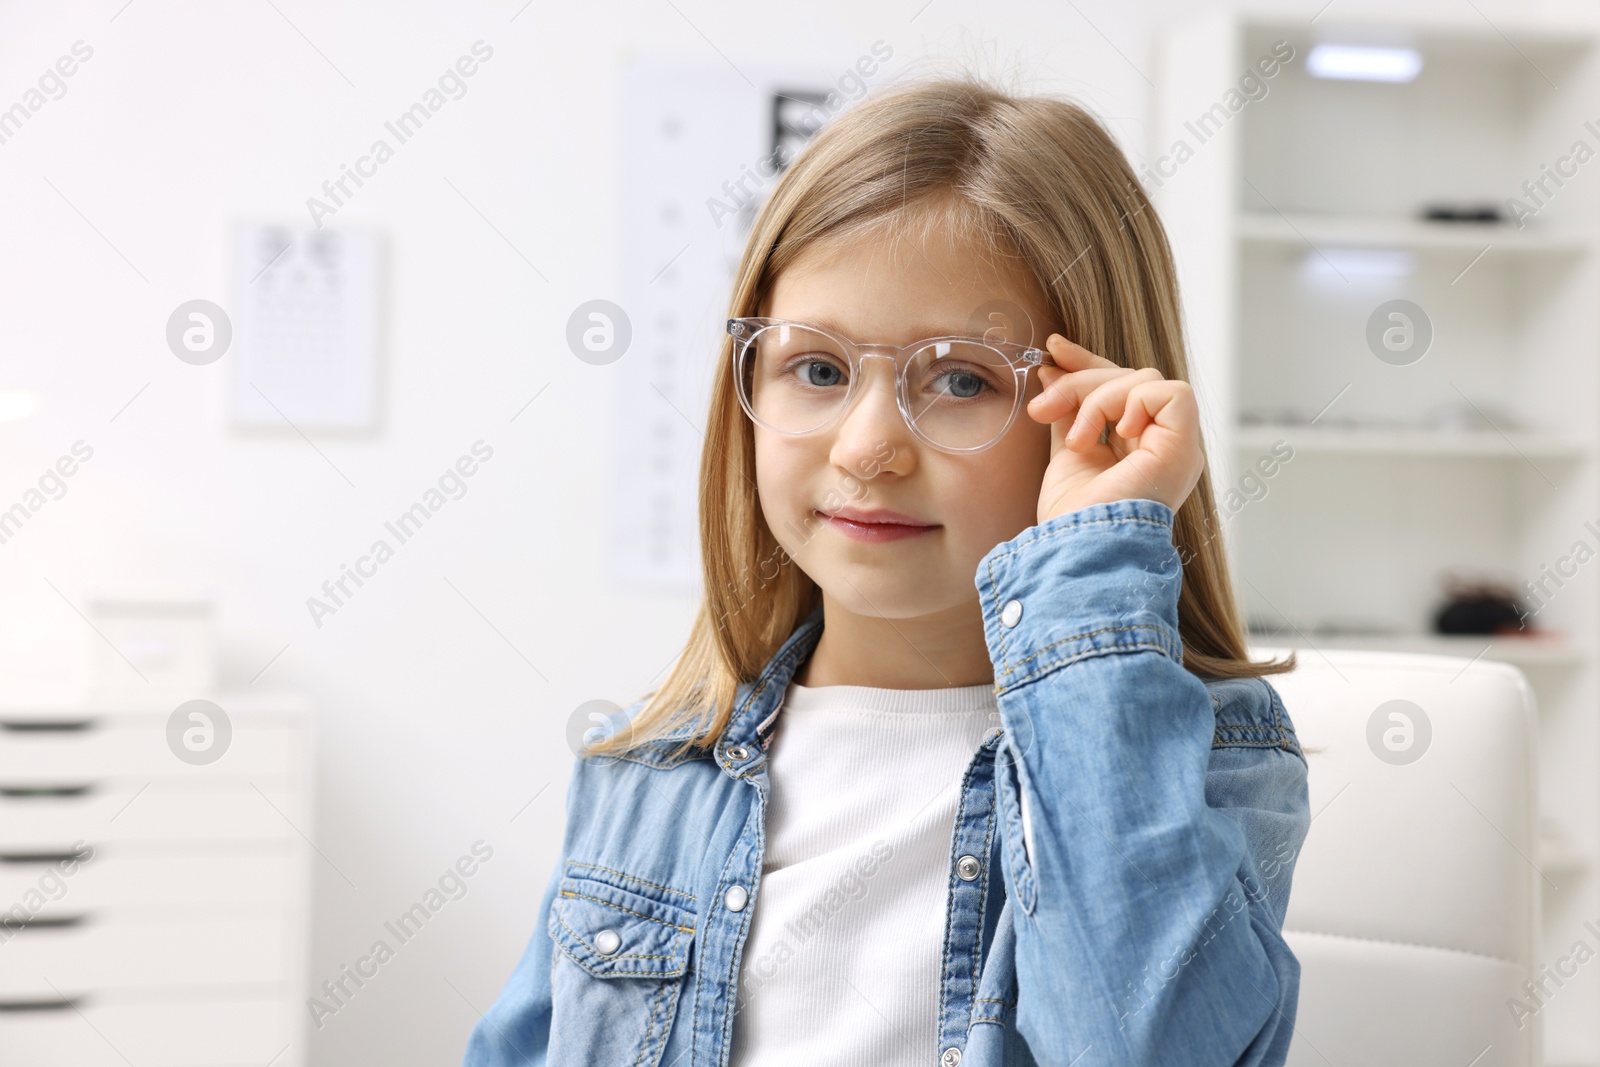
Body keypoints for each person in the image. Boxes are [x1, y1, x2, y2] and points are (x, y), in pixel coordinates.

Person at [460, 73, 1311, 1067]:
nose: (868, 447)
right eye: (816, 369)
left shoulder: (1211, 761)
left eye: (960, 379)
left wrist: (1091, 554)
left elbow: (1144, 1044)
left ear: (1101, 409)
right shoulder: (649, 765)